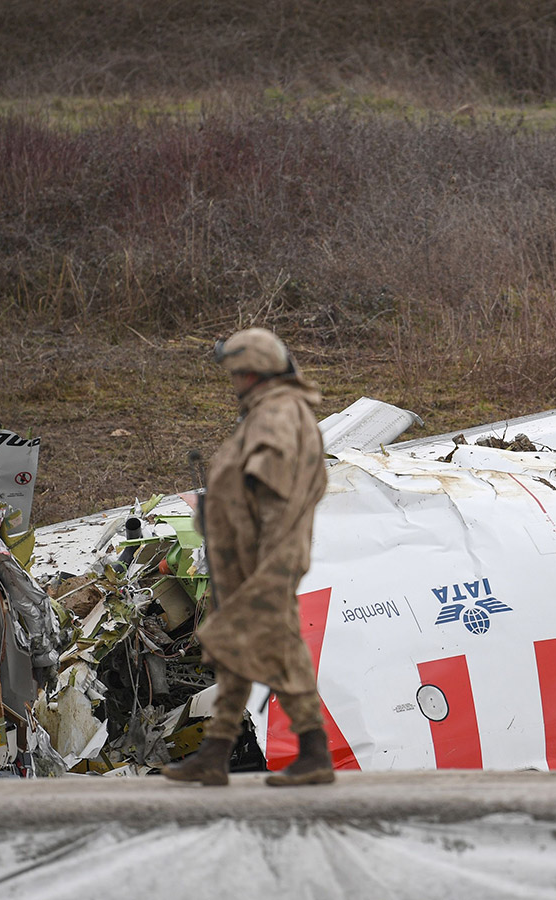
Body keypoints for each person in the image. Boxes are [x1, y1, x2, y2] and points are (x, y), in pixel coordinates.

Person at [164, 327, 333, 787]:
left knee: (277, 644)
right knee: (234, 650)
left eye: (236, 373)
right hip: (245, 559)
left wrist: (268, 567)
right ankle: (217, 752)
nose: (232, 382)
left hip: (266, 559)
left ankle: (314, 750)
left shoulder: (277, 417)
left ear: (252, 372)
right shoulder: (268, 412)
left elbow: (277, 503)